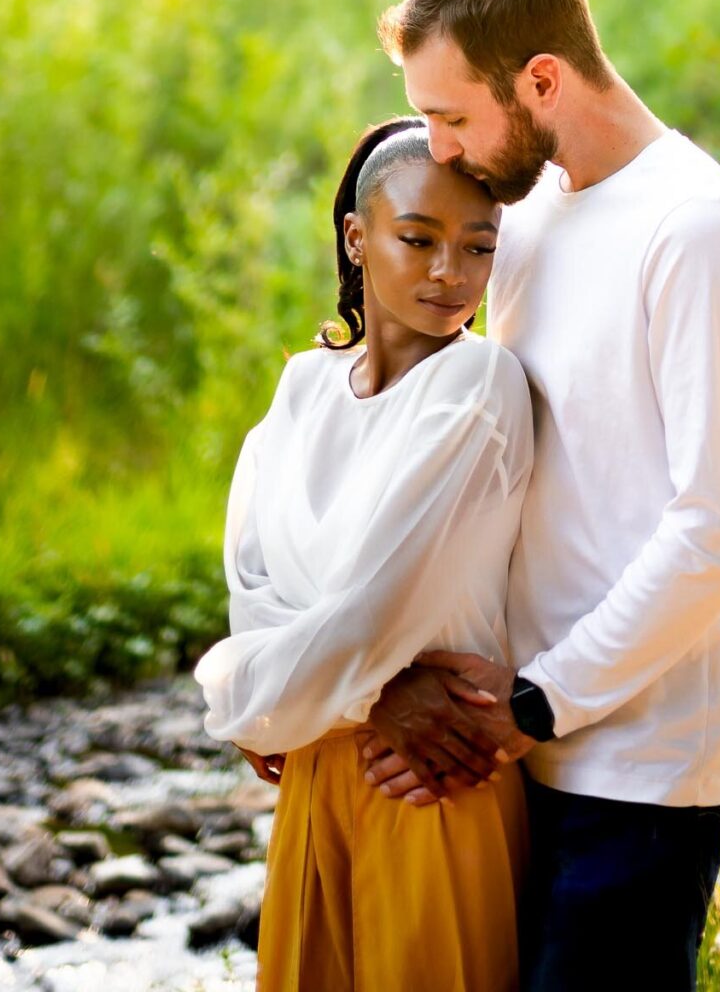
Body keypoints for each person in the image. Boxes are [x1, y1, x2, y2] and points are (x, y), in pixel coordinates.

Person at [363, 0, 720, 992]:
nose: (442, 150)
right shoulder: (533, 212)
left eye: (454, 117)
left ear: (542, 79)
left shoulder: (693, 225)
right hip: (519, 745)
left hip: (639, 769)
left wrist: (539, 701)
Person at [195, 116, 533, 992]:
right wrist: (374, 689)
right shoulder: (304, 388)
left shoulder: (478, 383)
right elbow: (252, 590)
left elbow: (374, 604)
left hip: (431, 776)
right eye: (416, 239)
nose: (448, 274)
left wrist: (273, 693)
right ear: (357, 236)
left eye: (477, 248)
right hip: (318, 774)